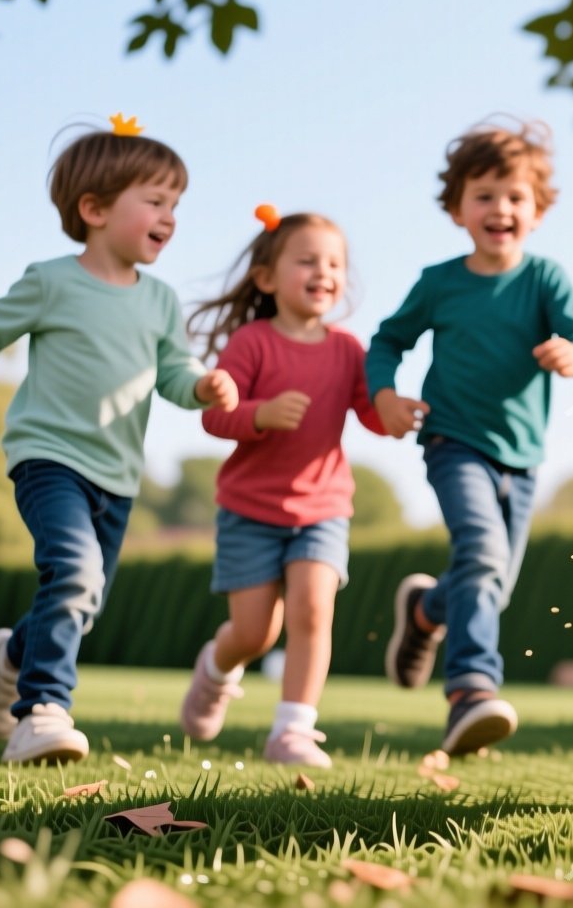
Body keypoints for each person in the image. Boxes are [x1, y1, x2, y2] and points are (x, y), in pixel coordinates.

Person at [0, 119, 237, 763]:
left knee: (82, 597)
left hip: (118, 475)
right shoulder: (53, 281)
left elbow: (173, 373)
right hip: (48, 460)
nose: (170, 217)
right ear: (95, 209)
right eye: (156, 200)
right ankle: (43, 709)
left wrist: (202, 387)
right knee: (77, 573)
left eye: (176, 205)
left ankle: (10, 654)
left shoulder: (162, 301)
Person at [372, 119, 573, 756]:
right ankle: (470, 691)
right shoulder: (440, 283)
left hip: (523, 458)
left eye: (514, 197)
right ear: (457, 210)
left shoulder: (544, 281)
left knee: (492, 580)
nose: (499, 208)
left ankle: (426, 610)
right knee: (479, 549)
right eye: (483, 196)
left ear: (537, 209)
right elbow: (388, 341)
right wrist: (385, 395)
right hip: (453, 441)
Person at [178, 209, 394, 768]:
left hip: (322, 507)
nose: (324, 272)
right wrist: (260, 414)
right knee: (253, 633)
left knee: (313, 610)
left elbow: (371, 413)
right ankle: (216, 669)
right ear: (268, 278)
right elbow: (214, 419)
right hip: (249, 511)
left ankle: (293, 730)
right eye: (307, 260)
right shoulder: (251, 342)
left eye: (335, 263)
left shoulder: (348, 349)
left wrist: (397, 411)